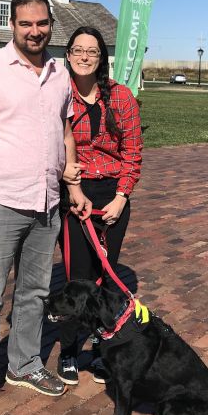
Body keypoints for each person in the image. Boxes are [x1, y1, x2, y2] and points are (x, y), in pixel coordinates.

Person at [0, 0, 92, 415]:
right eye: (26, 24)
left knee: (34, 292)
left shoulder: (58, 73)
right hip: (0, 200)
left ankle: (24, 363)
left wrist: (71, 180)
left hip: (47, 203)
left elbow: (65, 131)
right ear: (12, 25)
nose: (35, 31)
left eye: (42, 23)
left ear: (51, 24)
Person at [57, 26, 143, 387]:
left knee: (107, 276)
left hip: (112, 194)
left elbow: (132, 153)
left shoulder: (121, 97)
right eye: (78, 50)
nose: (84, 56)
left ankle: (102, 347)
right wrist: (69, 181)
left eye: (92, 51)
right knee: (78, 278)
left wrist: (121, 198)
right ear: (68, 55)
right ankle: (68, 350)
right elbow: (50, 144)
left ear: (101, 58)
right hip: (75, 194)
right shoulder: (59, 93)